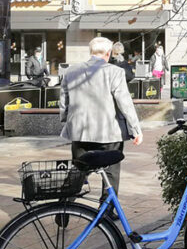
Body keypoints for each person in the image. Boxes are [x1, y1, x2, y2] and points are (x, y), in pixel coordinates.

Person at [59, 37, 143, 214]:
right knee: (111, 172)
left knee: (79, 169)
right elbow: (124, 102)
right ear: (108, 53)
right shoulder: (114, 72)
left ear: (91, 52)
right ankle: (106, 210)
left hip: (80, 131)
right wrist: (135, 129)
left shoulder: (71, 71)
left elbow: (63, 100)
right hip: (108, 131)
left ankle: (63, 206)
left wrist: (66, 119)